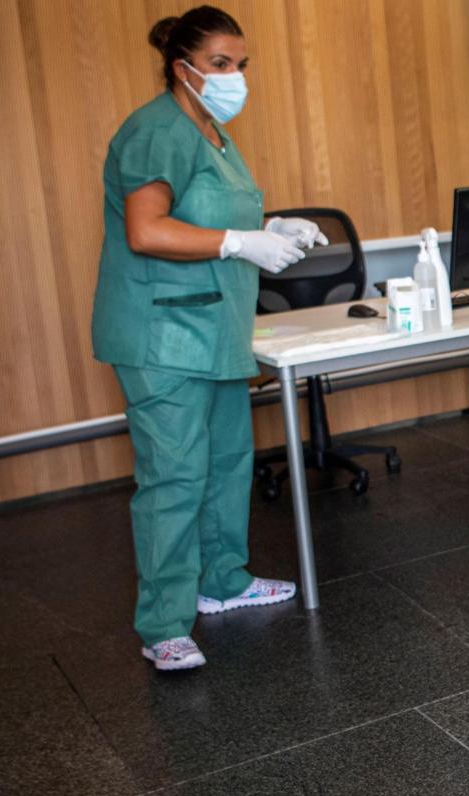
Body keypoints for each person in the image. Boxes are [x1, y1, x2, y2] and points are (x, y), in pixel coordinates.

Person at [91, 6, 327, 671]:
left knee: (227, 461)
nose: (233, 77)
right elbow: (147, 230)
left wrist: (275, 226)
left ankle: (222, 581)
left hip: (215, 329)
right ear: (183, 67)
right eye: (221, 65)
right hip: (161, 333)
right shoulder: (155, 129)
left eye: (239, 65)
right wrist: (240, 240)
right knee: (173, 477)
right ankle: (163, 624)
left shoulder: (213, 132)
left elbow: (214, 211)